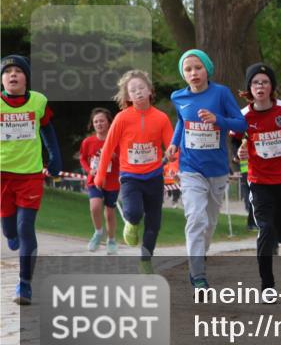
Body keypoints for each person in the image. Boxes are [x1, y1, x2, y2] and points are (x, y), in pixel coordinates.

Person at [166, 49, 247, 290]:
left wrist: (218, 120)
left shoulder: (221, 93)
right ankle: (198, 276)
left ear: (207, 69)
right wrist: (173, 143)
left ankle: (200, 256)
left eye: (198, 67)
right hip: (190, 168)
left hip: (217, 170)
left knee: (209, 223)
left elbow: (241, 123)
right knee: (195, 218)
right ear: (183, 74)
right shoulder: (178, 97)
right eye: (188, 69)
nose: (193, 73)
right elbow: (182, 121)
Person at [236, 63, 281, 292]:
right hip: (259, 181)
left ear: (272, 87)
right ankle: (267, 285)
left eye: (265, 82)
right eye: (256, 82)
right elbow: (232, 139)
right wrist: (239, 151)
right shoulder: (244, 115)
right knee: (265, 229)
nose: (260, 86)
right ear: (249, 87)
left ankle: (279, 235)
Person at [95, 70, 173, 275]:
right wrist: (100, 174)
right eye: (133, 90)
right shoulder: (122, 118)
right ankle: (130, 222)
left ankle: (146, 260)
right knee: (134, 212)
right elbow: (108, 148)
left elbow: (172, 148)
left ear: (150, 91)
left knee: (154, 223)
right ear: (128, 96)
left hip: (154, 176)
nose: (138, 93)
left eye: (141, 88)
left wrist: (175, 166)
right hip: (130, 177)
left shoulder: (161, 118)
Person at [1, 55, 62, 305]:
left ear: (26, 77)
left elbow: (48, 129)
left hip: (30, 175)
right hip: (2, 175)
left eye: (18, 71)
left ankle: (24, 284)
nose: (13, 74)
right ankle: (10, 234)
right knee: (10, 231)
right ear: (2, 79)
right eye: (7, 71)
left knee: (26, 227)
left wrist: (55, 156)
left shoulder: (38, 102)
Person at [80, 107, 119, 254]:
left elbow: (124, 159)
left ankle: (111, 240)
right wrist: (90, 170)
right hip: (94, 179)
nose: (99, 124)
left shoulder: (116, 140)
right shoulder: (88, 142)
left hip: (112, 181)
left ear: (109, 122)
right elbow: (83, 158)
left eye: (102, 121)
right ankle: (98, 232)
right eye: (96, 121)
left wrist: (115, 157)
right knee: (95, 207)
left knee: (109, 213)